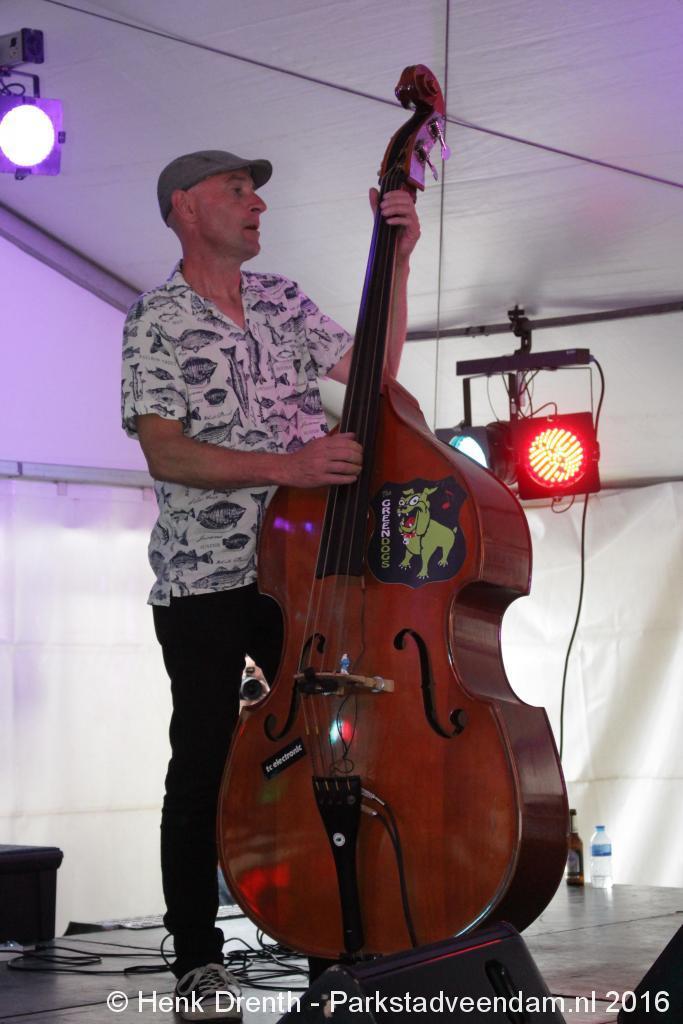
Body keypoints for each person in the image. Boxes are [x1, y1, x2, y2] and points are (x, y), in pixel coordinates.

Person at [121, 149, 420, 1020]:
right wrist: (289, 464)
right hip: (205, 576)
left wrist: (397, 262)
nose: (256, 204)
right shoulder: (156, 318)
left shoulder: (283, 299)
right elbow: (166, 451)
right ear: (184, 207)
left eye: (256, 193)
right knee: (204, 760)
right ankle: (196, 957)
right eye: (237, 191)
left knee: (335, 748)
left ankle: (337, 940)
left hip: (299, 568)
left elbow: (375, 375)